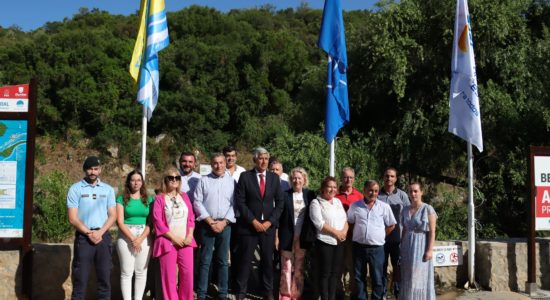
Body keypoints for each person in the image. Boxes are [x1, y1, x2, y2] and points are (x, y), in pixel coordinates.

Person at [234, 147, 285, 300]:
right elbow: (240, 202)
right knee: (245, 261)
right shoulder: (245, 177)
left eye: (266, 159)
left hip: (268, 228)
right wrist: (253, 221)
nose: (264, 161)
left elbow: (280, 203)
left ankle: (267, 292)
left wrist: (270, 222)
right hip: (249, 227)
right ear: (255, 159)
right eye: (261, 158)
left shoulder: (274, 178)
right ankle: (241, 292)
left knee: (267, 262)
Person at [67, 156, 117, 299]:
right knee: (80, 280)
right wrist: (89, 233)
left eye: (96, 169)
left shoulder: (108, 190)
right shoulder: (75, 189)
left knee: (104, 280)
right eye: (90, 169)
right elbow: (73, 218)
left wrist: (100, 232)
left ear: (100, 170)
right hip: (84, 238)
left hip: (103, 237)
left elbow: (112, 215)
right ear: (85, 170)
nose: (93, 172)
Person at [193, 153, 236, 300]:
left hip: (225, 225)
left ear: (225, 163)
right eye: (215, 163)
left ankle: (223, 293)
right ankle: (202, 293)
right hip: (207, 225)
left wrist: (223, 222)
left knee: (223, 260)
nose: (218, 166)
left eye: (221, 163)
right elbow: (197, 202)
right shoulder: (204, 181)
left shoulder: (232, 182)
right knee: (205, 260)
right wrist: (210, 221)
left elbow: (235, 204)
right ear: (211, 165)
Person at [152, 167, 197, 300]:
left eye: (177, 178)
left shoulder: (184, 196)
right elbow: (158, 221)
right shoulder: (160, 199)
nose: (174, 180)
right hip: (168, 242)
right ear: (165, 180)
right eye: (170, 178)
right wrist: (174, 238)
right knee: (169, 277)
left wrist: (189, 235)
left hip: (186, 241)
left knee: (187, 275)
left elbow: (191, 218)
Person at [347, 180, 396, 300]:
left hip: (377, 249)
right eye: (370, 190)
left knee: (377, 278)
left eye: (375, 191)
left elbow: (391, 225)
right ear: (364, 190)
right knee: (359, 278)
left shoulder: (384, 207)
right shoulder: (355, 206)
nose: (373, 193)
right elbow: (350, 222)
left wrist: (381, 235)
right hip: (359, 247)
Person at [277, 167, 316, 300]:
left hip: (302, 237)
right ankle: (285, 295)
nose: (296, 180)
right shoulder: (284, 195)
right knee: (286, 267)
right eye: (294, 178)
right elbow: (279, 217)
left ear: (304, 179)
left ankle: (296, 294)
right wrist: (277, 237)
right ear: (290, 179)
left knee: (299, 268)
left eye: (299, 178)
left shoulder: (310, 195)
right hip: (287, 237)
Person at [116, 170, 153, 300]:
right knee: (126, 272)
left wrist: (141, 239)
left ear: (142, 182)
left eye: (138, 180)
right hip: (126, 236)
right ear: (128, 182)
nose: (136, 182)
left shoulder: (149, 199)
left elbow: (150, 222)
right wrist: (133, 239)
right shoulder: (121, 199)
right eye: (133, 180)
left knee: (141, 272)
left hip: (144, 235)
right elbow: (120, 222)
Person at [310, 176, 348, 300]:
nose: (332, 189)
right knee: (325, 274)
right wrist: (336, 233)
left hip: (339, 242)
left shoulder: (337, 201)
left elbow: (345, 220)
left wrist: (343, 232)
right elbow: (319, 224)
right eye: (329, 187)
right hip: (325, 242)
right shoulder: (316, 202)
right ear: (323, 188)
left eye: (334, 187)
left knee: (335, 274)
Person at [399, 183, 437, 300]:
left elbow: (432, 231)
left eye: (415, 191)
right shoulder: (405, 209)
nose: (413, 194)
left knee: (418, 277)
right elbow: (404, 229)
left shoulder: (427, 209)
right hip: (407, 246)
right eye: (410, 191)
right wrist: (401, 246)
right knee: (408, 275)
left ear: (421, 192)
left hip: (421, 246)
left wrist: (429, 250)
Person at [378, 167, 410, 298]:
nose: (389, 178)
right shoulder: (376, 194)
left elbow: (409, 215)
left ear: (396, 179)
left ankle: (398, 293)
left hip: (398, 240)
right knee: (381, 268)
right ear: (383, 177)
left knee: (398, 269)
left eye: (392, 176)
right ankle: (383, 294)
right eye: (387, 176)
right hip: (381, 239)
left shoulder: (402, 195)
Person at [334, 167, 364, 299]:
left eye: (351, 177)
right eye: (346, 177)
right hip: (337, 237)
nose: (348, 180)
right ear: (341, 178)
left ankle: (353, 293)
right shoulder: (334, 194)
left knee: (353, 267)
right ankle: (339, 292)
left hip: (353, 238)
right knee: (338, 267)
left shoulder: (359, 196)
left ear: (354, 179)